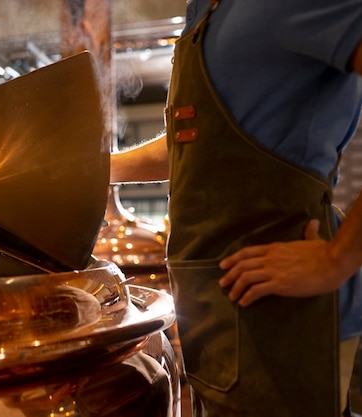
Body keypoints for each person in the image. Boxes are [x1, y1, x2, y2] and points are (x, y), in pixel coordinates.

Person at [110, 0, 362, 416]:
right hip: (216, 322)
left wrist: (339, 258)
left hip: (283, 325)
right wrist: (90, 167)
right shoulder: (205, 13)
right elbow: (198, 142)